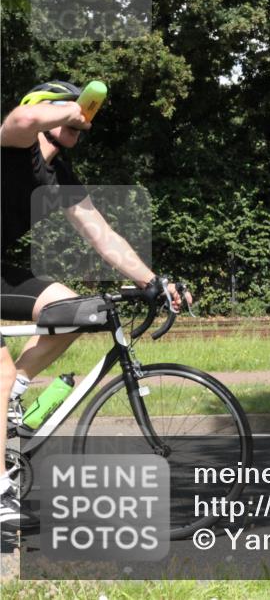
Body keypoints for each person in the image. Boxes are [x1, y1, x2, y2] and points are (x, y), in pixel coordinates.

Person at [0, 80, 191, 529]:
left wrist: (153, 280)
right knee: (0, 367)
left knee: (73, 310)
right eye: (69, 110)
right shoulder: (15, 142)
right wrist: (68, 110)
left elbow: (103, 236)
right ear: (48, 109)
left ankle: (13, 394)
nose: (80, 121)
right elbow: (23, 118)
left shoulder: (59, 177)